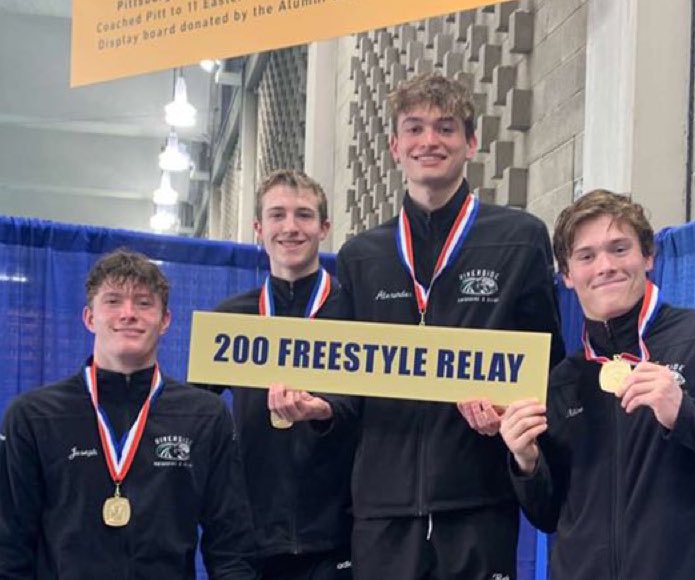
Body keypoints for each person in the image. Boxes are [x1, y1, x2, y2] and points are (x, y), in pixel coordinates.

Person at [270, 73, 566, 579]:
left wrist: (507, 411)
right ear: (394, 146)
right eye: (415, 128)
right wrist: (322, 409)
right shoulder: (364, 254)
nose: (430, 141)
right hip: (382, 512)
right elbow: (347, 385)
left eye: (446, 128)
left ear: (471, 143)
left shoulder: (519, 238)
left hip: (479, 503)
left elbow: (548, 371)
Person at [500, 189, 695, 580]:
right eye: (586, 256)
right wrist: (527, 463)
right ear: (567, 275)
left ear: (647, 256)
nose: (605, 266)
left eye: (619, 248)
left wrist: (687, 416)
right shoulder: (563, 381)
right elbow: (549, 516)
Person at [0, 249, 258, 579]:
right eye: (113, 301)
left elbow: (231, 547)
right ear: (89, 317)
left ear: (165, 320)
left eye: (144, 302)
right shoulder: (33, 417)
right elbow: (9, 548)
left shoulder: (205, 417)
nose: (128, 313)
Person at [204, 169, 355, 580]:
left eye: (304, 215)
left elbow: (380, 409)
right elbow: (192, 412)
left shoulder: (355, 314)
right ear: (258, 228)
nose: (291, 227)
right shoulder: (231, 319)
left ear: (324, 228)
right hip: (251, 541)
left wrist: (329, 411)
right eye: (277, 215)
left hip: (338, 540)